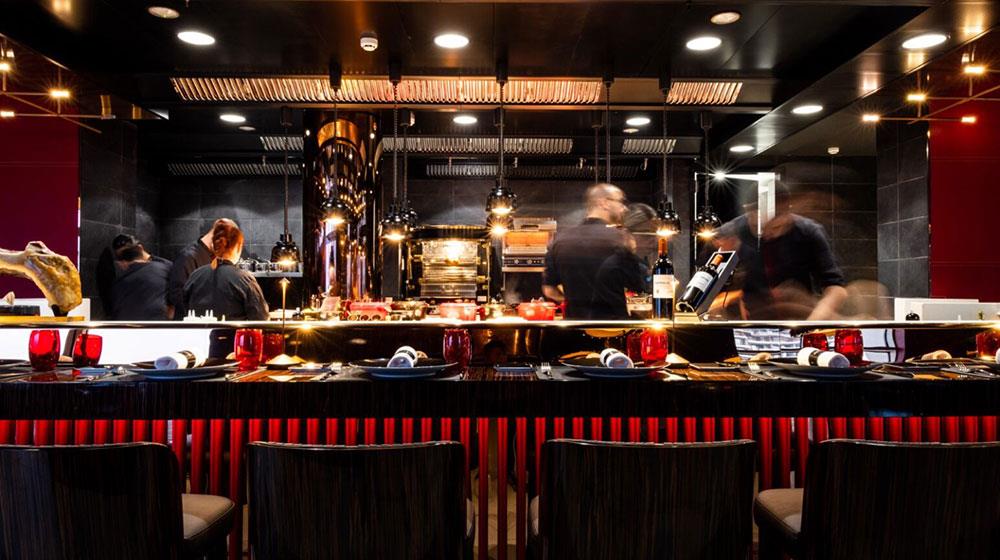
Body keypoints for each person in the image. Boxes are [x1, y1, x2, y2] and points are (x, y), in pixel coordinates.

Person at [713, 183, 847, 320]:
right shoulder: (728, 235)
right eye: (760, 227)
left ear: (788, 212)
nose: (768, 234)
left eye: (776, 227)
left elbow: (836, 289)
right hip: (744, 321)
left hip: (798, 319)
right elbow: (706, 290)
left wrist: (812, 322)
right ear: (748, 211)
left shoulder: (808, 232)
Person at [542, 183, 645, 319]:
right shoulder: (621, 239)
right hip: (613, 327)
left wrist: (576, 301)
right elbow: (638, 285)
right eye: (620, 201)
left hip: (575, 326)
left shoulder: (559, 240)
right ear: (604, 203)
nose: (624, 208)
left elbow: (549, 290)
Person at [183, 220, 269, 321]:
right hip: (234, 331)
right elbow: (260, 318)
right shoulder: (245, 279)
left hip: (198, 331)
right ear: (238, 247)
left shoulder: (195, 276)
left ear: (215, 245)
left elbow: (185, 310)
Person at [167, 219, 237, 319]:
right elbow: (177, 296)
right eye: (224, 244)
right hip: (192, 323)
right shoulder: (188, 257)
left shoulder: (211, 256)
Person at [109, 238, 173, 320]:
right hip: (157, 321)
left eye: (127, 254)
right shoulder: (164, 267)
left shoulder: (121, 280)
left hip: (127, 323)